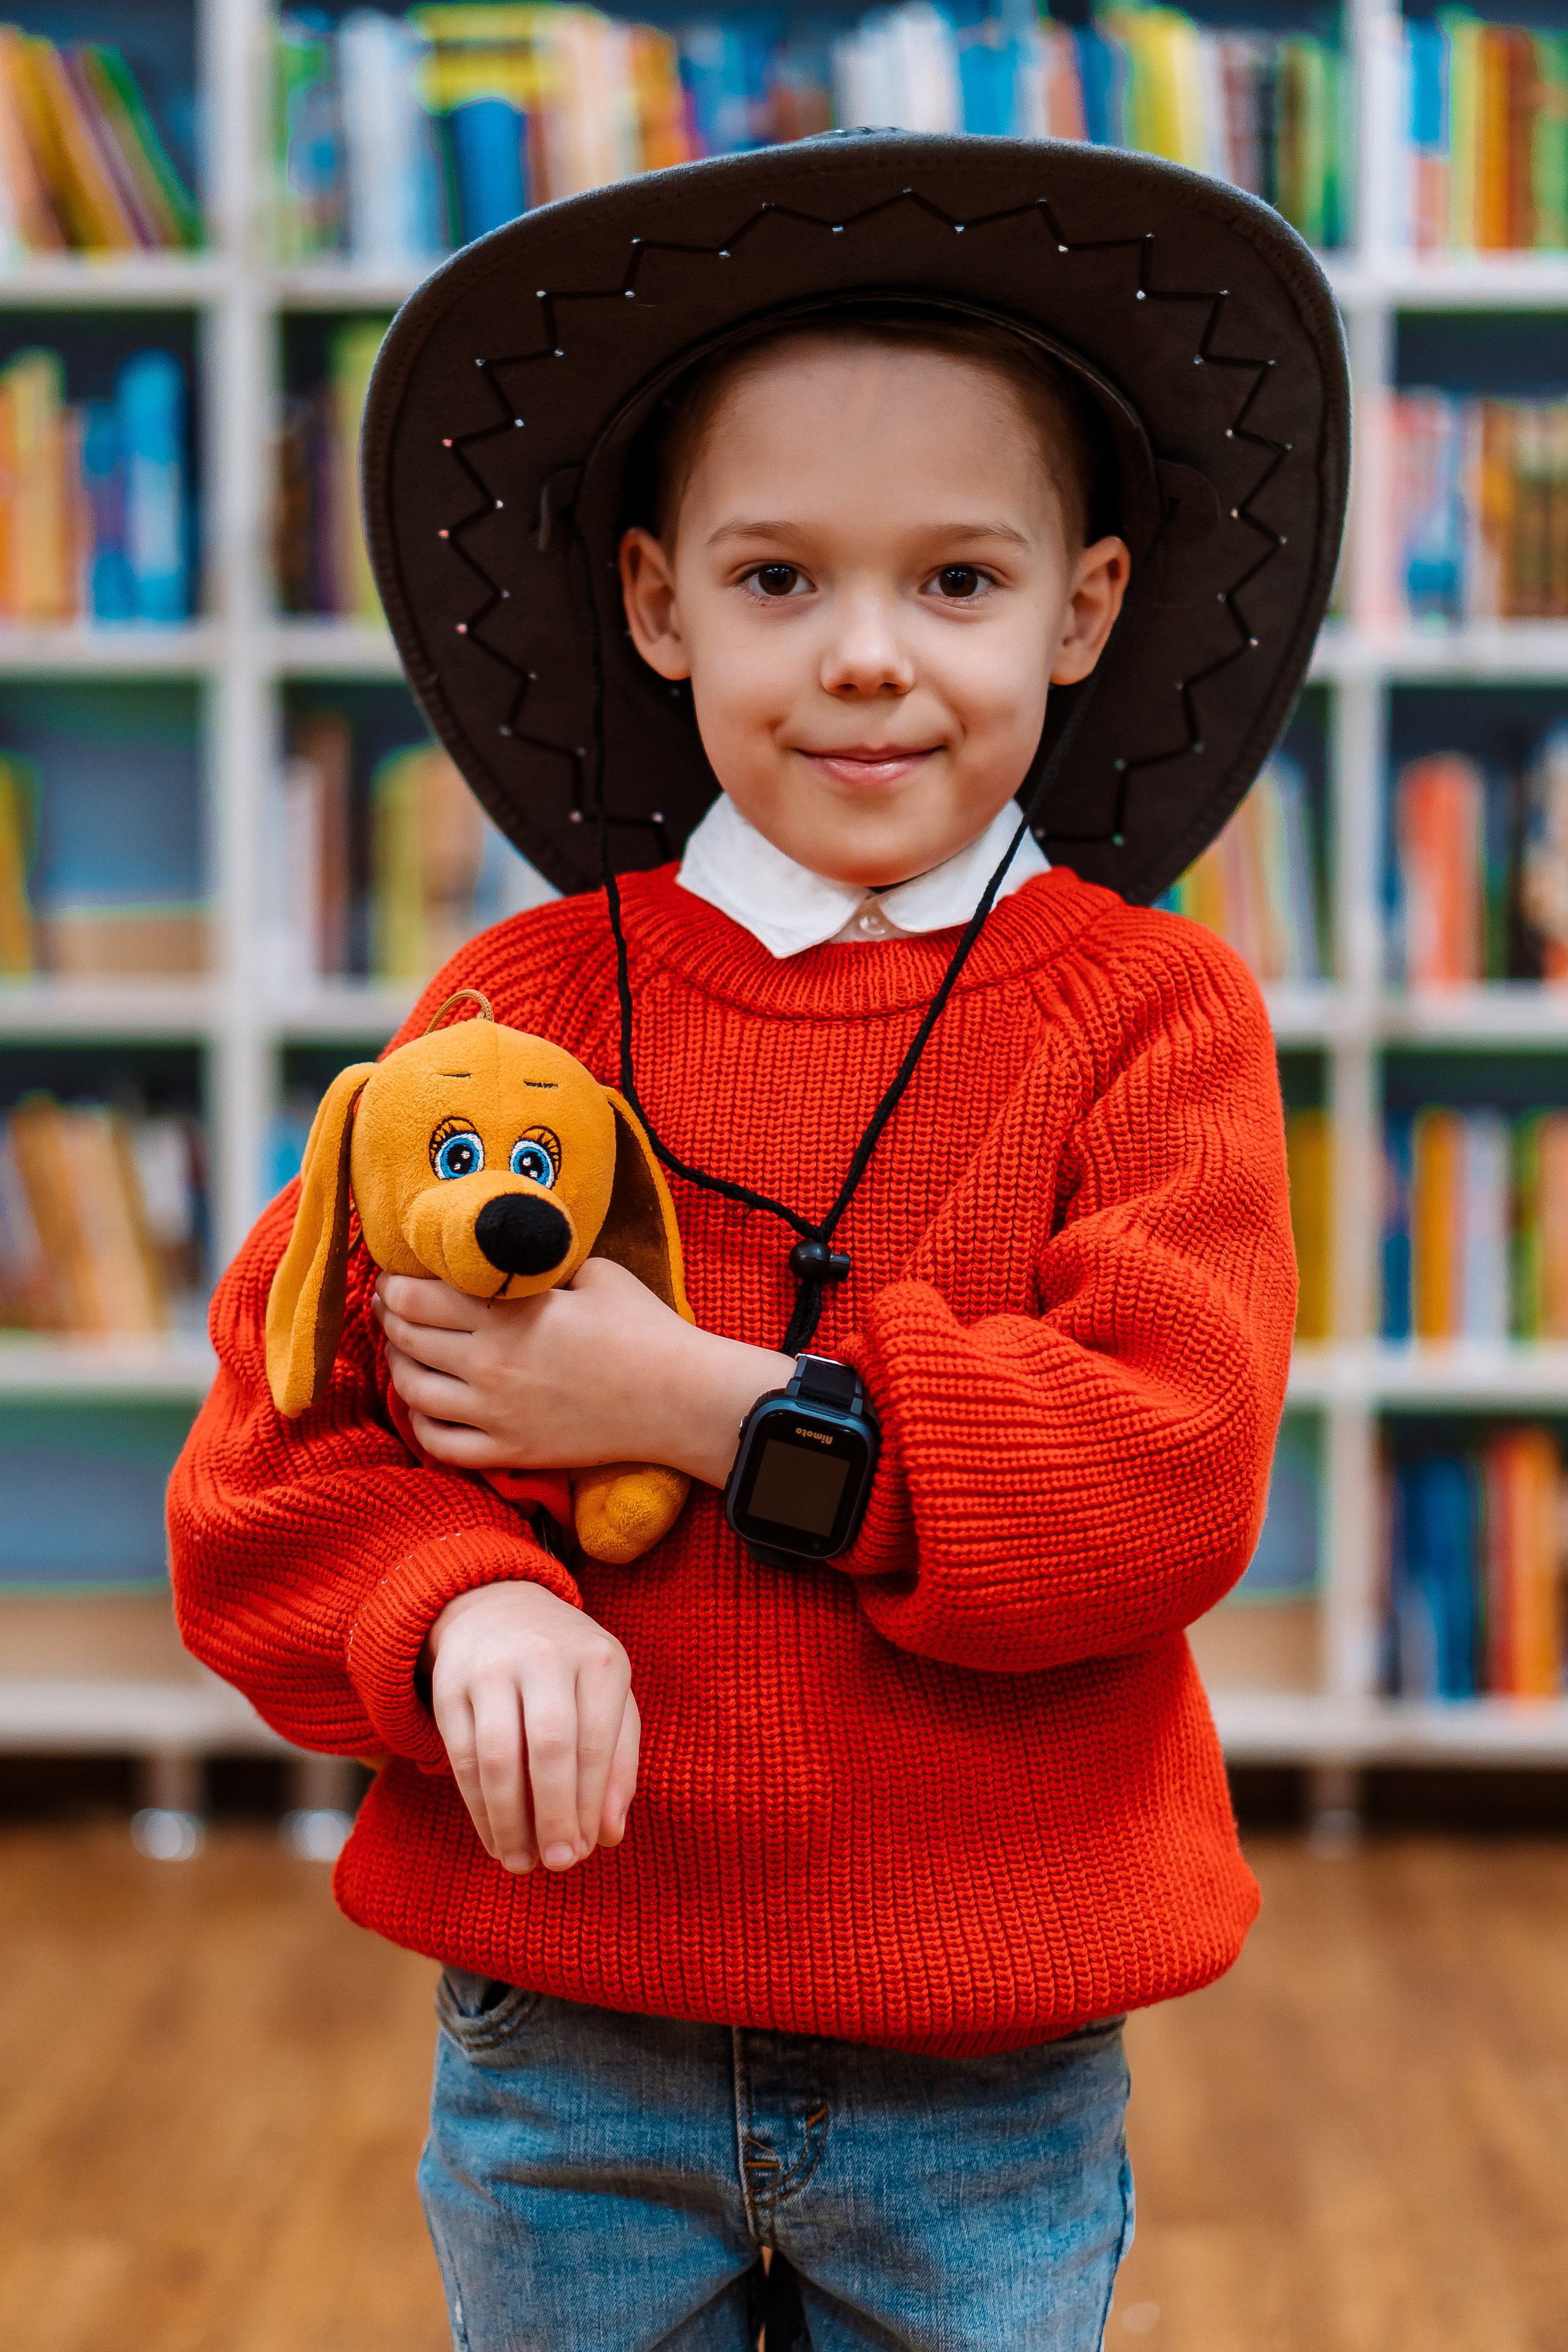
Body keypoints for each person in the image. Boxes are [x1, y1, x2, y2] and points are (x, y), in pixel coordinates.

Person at [169, 130, 1348, 2350]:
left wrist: (697, 1404)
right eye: (781, 578)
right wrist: (461, 1604)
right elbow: (270, 1465)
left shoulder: (1151, 1016)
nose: (868, 660)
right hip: (569, 2046)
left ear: (1086, 608)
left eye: (958, 582)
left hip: (988, 2070)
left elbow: (1160, 1476)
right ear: (658, 603)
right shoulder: (515, 1014)